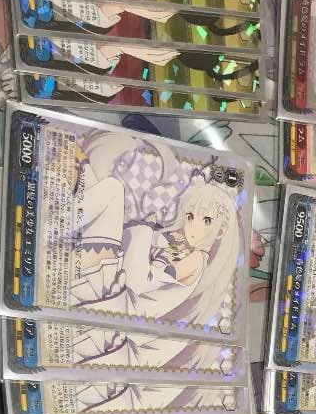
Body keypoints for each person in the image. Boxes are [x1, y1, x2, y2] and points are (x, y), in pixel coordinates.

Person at [70, 130, 241, 330]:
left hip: (116, 294)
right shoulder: (181, 245)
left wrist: (145, 231)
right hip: (114, 282)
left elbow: (140, 282)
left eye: (207, 220)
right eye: (190, 216)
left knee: (112, 190)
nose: (193, 226)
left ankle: (61, 214)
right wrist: (152, 233)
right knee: (93, 181)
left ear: (220, 231)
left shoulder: (196, 260)